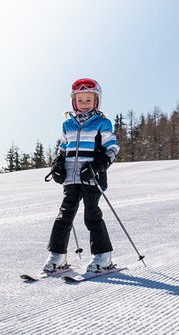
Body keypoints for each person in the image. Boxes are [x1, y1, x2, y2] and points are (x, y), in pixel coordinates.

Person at [44, 78, 120, 274]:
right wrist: (58, 164)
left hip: (91, 176)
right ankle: (57, 256)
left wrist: (98, 165)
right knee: (64, 215)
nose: (84, 104)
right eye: (80, 100)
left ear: (96, 102)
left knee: (92, 215)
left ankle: (103, 256)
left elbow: (112, 148)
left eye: (88, 100)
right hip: (71, 178)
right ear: (73, 102)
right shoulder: (67, 124)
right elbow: (62, 148)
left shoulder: (102, 123)